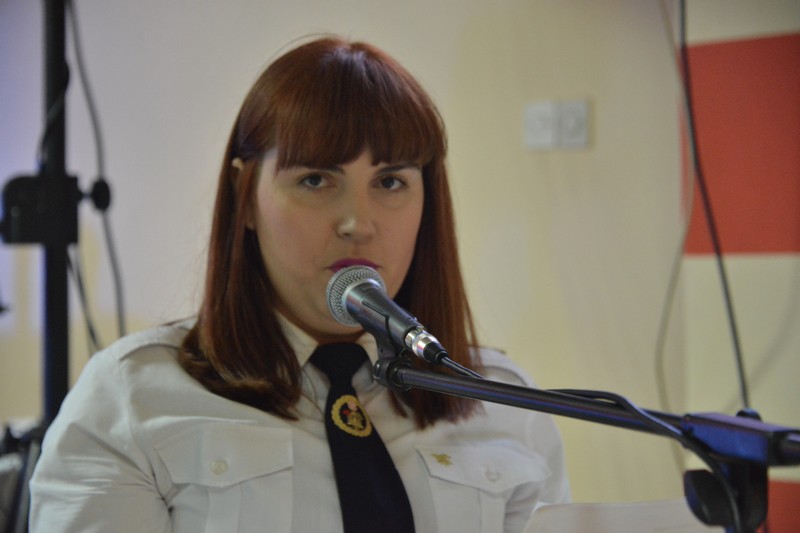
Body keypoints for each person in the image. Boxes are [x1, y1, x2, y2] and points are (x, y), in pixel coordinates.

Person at [29, 35, 569, 532]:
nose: (357, 223)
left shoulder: (503, 403)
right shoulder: (132, 400)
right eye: (316, 179)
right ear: (245, 197)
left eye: (390, 182)